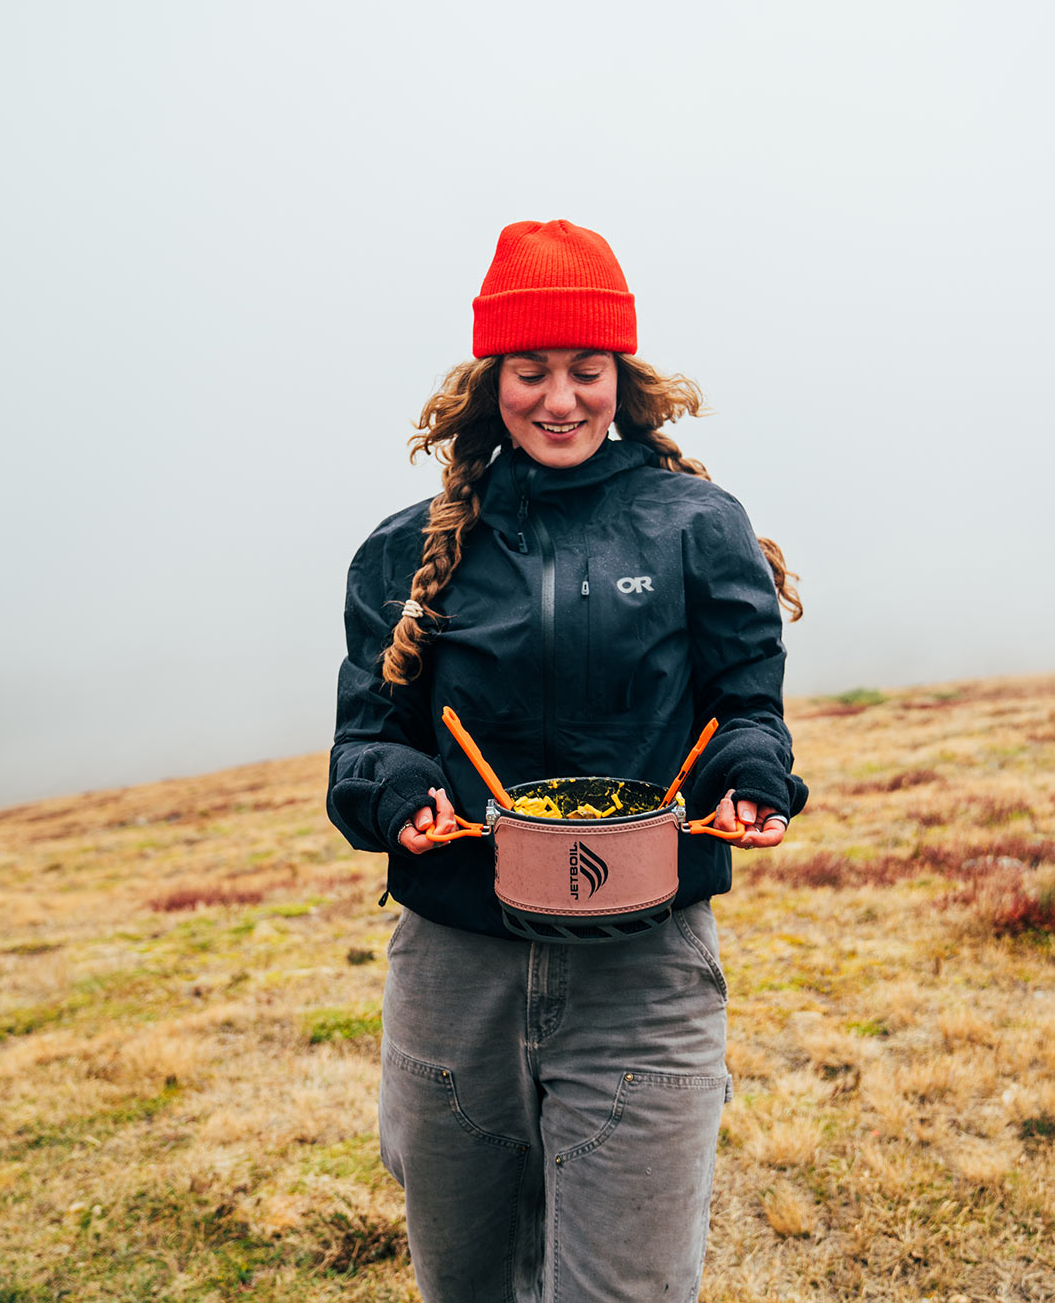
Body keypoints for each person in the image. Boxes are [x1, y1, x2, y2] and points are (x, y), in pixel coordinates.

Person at [325, 219, 807, 1301]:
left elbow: (745, 711)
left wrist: (749, 779)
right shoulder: (405, 550)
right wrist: (397, 793)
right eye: (530, 370)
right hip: (457, 973)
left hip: (645, 972)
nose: (559, 399)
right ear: (490, 380)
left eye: (585, 369)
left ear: (620, 377)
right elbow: (363, 744)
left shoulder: (697, 526)